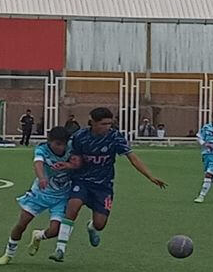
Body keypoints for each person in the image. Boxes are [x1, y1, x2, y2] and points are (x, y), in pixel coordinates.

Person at [49, 107, 166, 263]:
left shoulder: (114, 137)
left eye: (109, 124)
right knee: (73, 206)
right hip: (82, 181)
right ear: (93, 123)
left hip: (103, 186)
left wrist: (150, 176)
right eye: (104, 124)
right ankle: (60, 249)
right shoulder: (80, 137)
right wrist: (65, 166)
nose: (107, 127)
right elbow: (73, 158)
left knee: (100, 224)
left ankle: (91, 228)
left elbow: (132, 157)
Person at [0, 127, 80, 265]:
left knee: (55, 230)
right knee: (22, 224)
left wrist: (68, 165)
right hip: (40, 194)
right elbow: (38, 163)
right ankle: (8, 254)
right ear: (49, 141)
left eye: (63, 144)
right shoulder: (42, 149)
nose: (61, 147)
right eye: (57, 144)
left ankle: (38, 236)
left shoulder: (71, 148)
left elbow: (78, 164)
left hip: (61, 197)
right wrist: (41, 178)